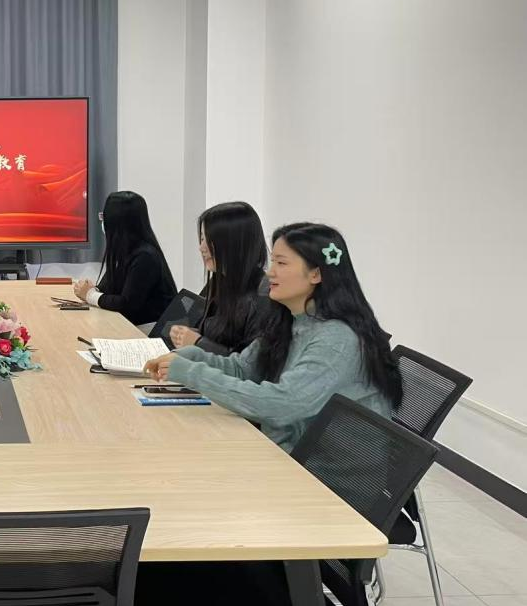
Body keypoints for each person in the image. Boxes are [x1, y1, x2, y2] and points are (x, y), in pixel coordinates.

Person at [144, 222, 402, 451]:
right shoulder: (289, 318)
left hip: (323, 474)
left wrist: (192, 373)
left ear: (316, 274)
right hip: (284, 449)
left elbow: (282, 405)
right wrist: (192, 356)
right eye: (273, 262)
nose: (270, 273)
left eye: (282, 263)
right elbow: (243, 369)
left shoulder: (337, 338)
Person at [168, 201, 272, 355]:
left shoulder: (262, 297)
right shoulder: (219, 281)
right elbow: (217, 336)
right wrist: (187, 335)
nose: (201, 248)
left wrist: (198, 342)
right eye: (202, 239)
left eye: (210, 240)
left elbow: (246, 364)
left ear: (235, 243)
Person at [73, 191, 177, 330]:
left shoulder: (145, 257)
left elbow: (126, 305)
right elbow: (108, 288)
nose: (102, 222)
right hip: (132, 325)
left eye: (104, 217)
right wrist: (92, 290)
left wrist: (90, 295)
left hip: (149, 330)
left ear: (116, 222)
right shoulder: (125, 251)